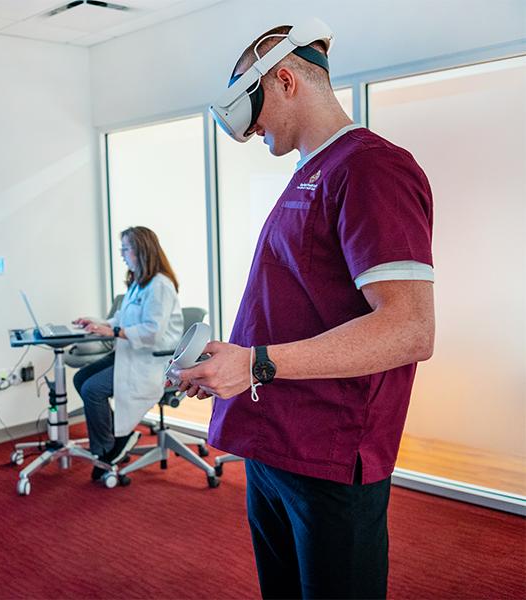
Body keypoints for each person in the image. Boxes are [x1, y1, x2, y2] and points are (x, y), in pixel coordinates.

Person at [172, 22, 435, 599]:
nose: (251, 131)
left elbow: (410, 329)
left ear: (285, 80)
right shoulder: (309, 174)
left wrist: (257, 363)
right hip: (274, 445)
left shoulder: (370, 168)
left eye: (253, 111)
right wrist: (235, 359)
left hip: (327, 458)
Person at [73, 226, 184, 481]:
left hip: (150, 360)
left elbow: (151, 332)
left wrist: (111, 331)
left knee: (93, 389)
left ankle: (110, 449)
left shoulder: (160, 286)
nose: (121, 254)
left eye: (125, 248)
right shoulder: (138, 284)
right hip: (131, 354)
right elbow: (122, 318)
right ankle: (114, 440)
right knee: (81, 379)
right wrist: (93, 322)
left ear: (141, 250)